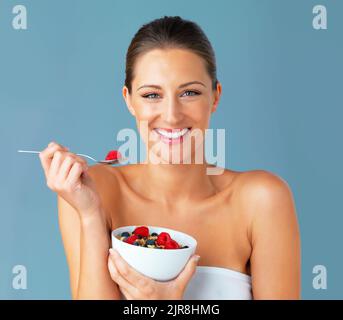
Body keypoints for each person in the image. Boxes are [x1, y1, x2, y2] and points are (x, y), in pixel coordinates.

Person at [39, 16, 301, 300]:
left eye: (189, 92)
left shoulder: (262, 200)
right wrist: (90, 215)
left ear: (215, 96)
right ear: (129, 100)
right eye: (152, 95)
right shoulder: (93, 192)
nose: (172, 115)